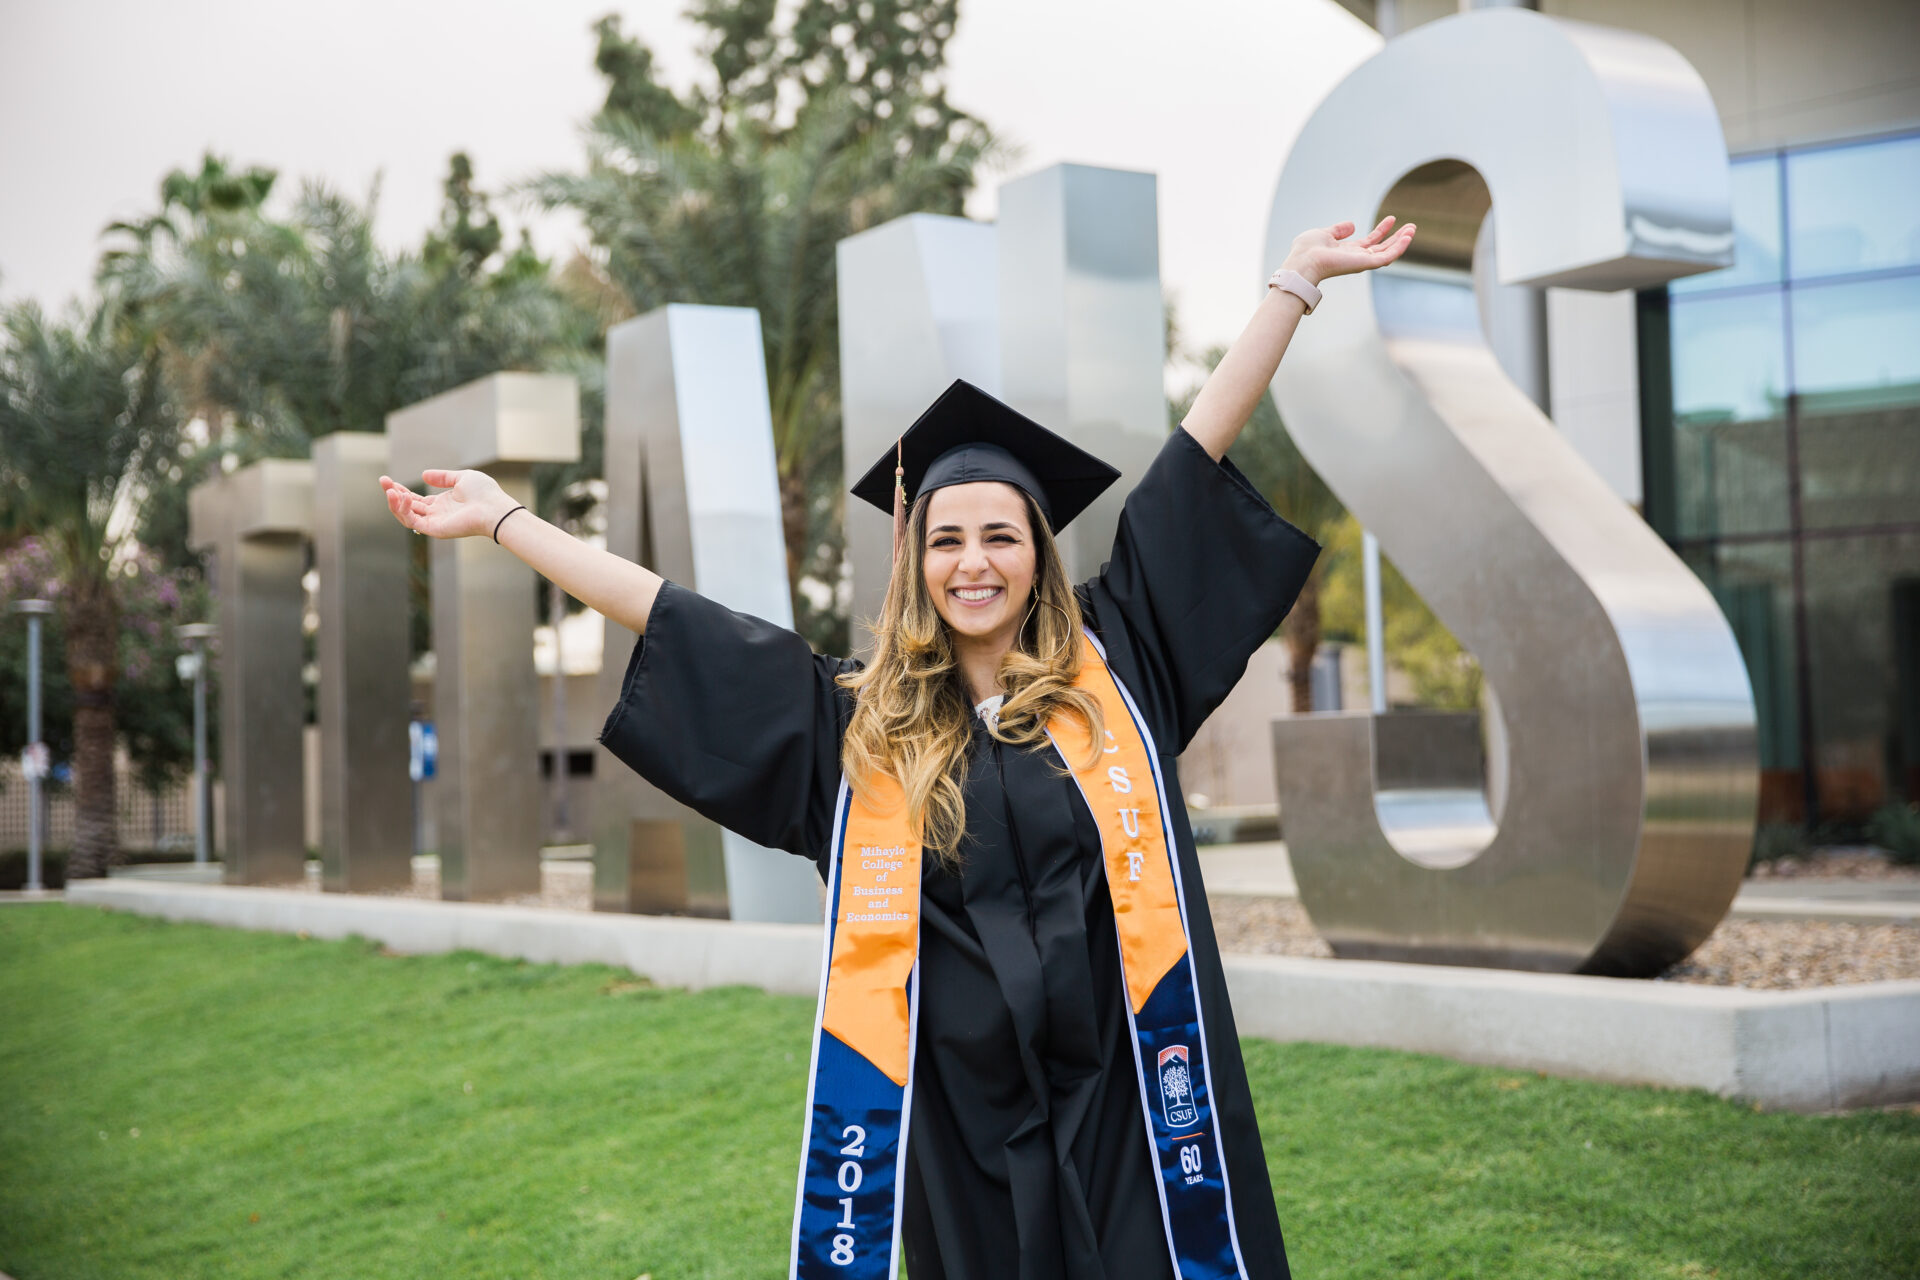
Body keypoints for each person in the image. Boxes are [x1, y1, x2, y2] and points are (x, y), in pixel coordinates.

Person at [380, 215, 1416, 1280]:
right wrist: (507, 519)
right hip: (960, 1124)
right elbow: (672, 613)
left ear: (1039, 554)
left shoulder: (1119, 672)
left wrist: (1293, 283)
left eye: (1002, 535)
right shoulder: (855, 728)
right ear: (914, 558)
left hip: (1134, 1104)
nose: (975, 562)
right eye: (948, 538)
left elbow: (1193, 455)